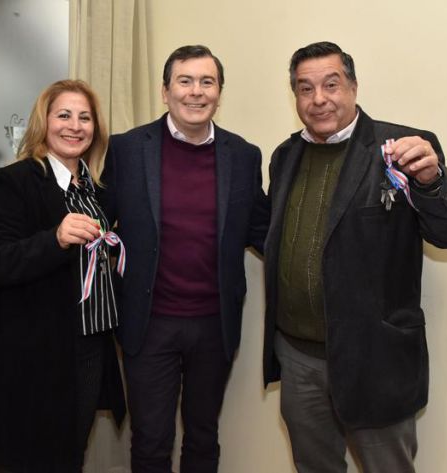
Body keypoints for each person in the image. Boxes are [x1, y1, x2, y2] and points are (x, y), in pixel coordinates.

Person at [262, 41, 447, 473]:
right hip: (299, 357)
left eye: (331, 84)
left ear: (354, 87)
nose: (318, 99)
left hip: (375, 360)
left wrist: (433, 181)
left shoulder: (401, 149)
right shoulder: (285, 156)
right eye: (305, 88)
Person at [100, 45, 270, 473]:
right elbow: (97, 224)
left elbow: (263, 230)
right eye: (185, 81)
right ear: (165, 91)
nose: (196, 92)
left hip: (214, 324)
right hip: (148, 323)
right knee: (151, 441)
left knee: (203, 437)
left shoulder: (244, 155)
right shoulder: (127, 149)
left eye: (207, 82)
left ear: (219, 92)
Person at [0, 79, 126, 473]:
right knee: (38, 459)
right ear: (43, 122)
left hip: (91, 346)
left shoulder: (96, 190)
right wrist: (55, 240)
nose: (75, 126)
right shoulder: (14, 181)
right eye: (64, 115)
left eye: (85, 118)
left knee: (72, 452)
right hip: (39, 355)